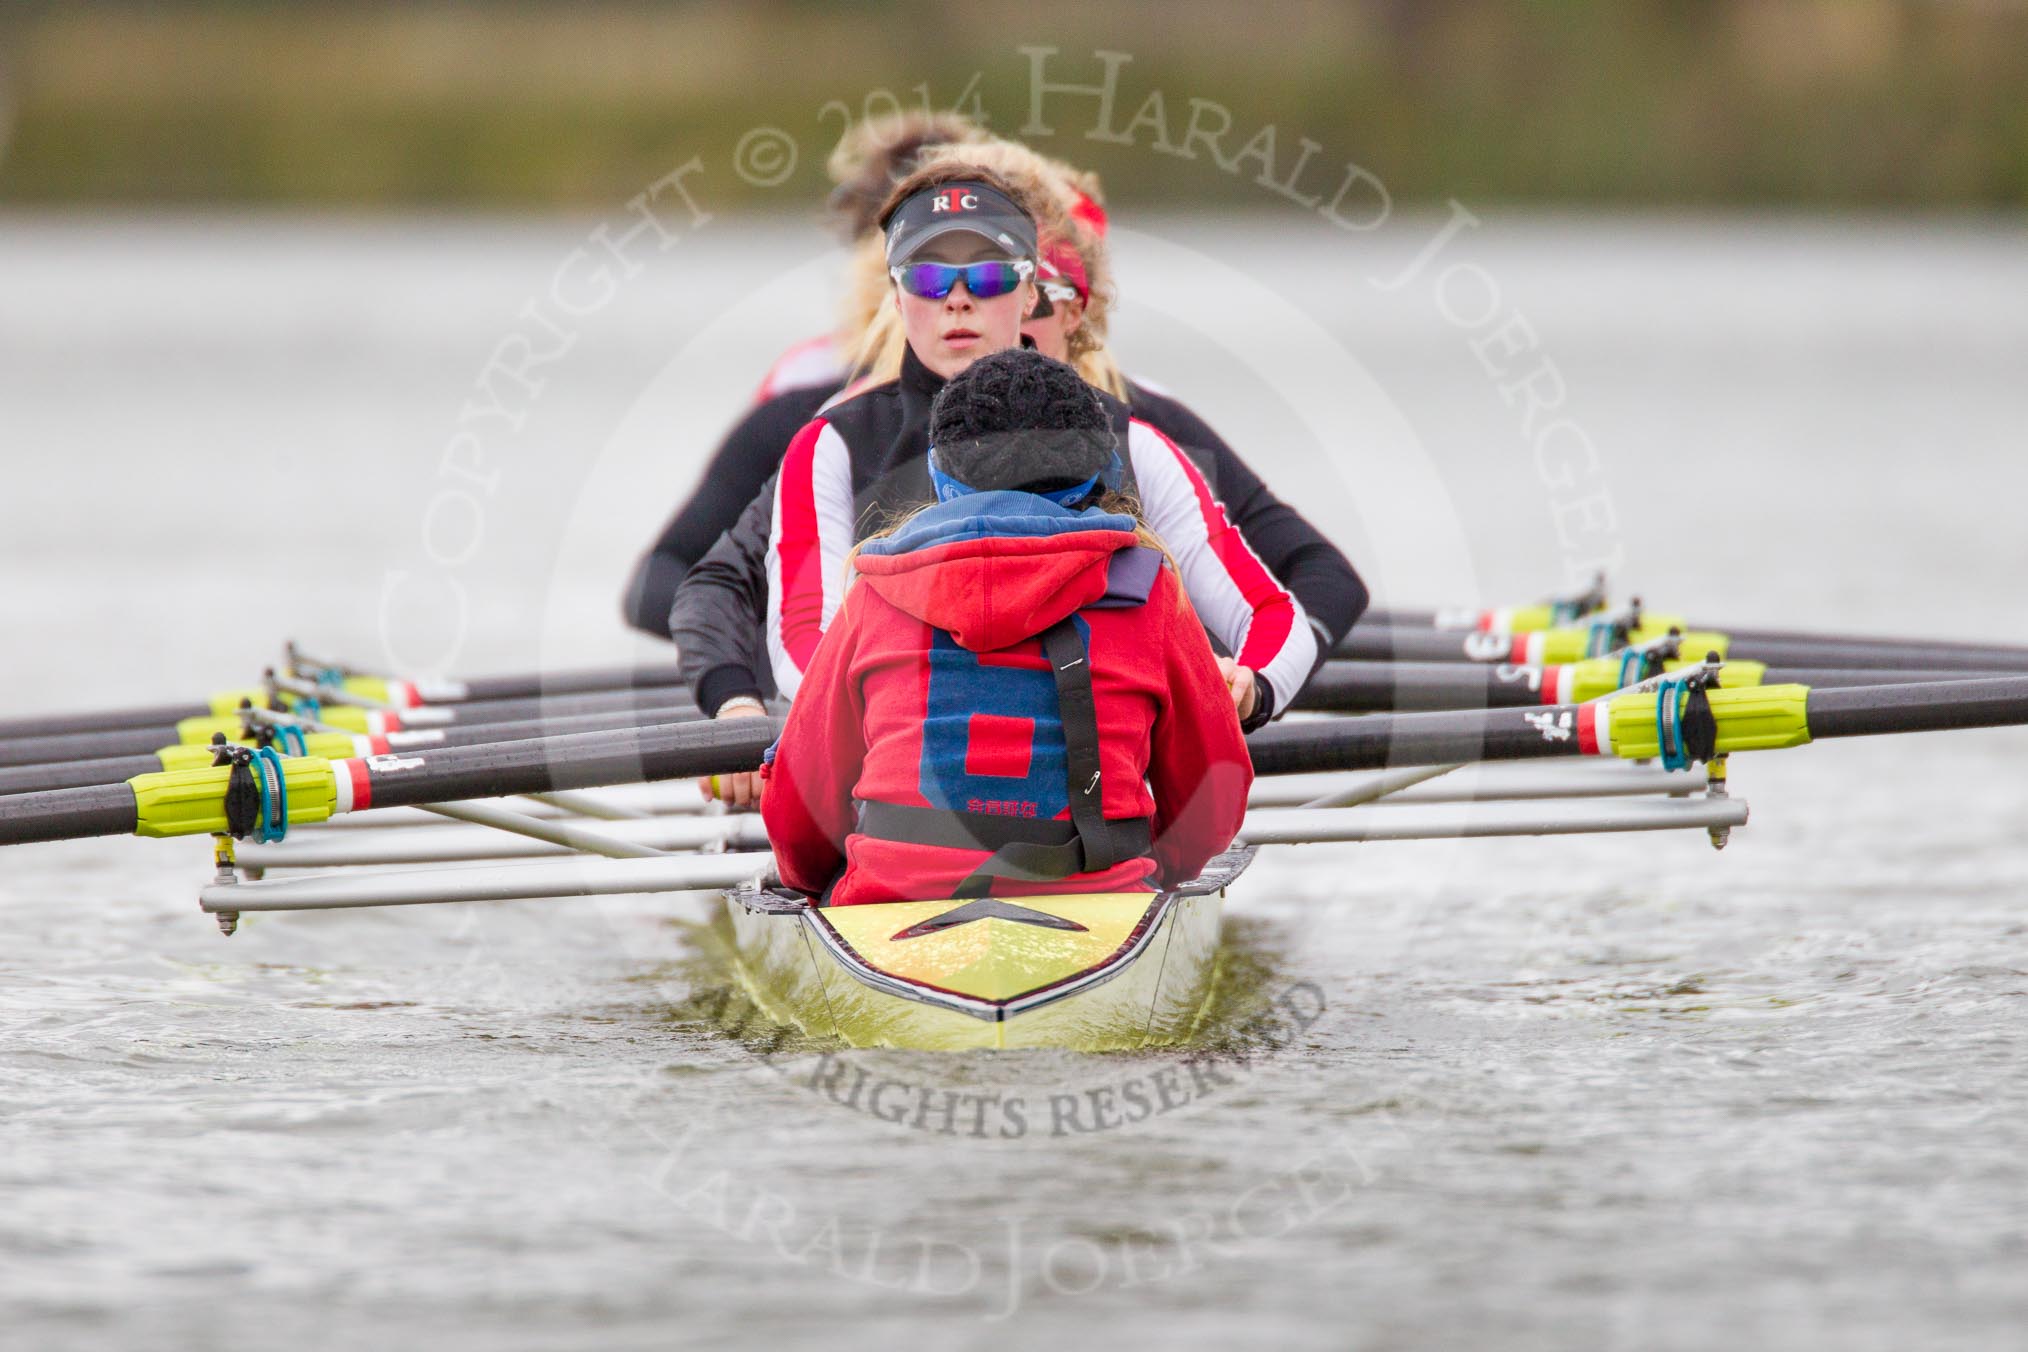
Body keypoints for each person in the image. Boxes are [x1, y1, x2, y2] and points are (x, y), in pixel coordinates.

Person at [621, 137, 1364, 676]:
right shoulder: (828, 440)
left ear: (1051, 299)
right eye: (933, 278)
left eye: (992, 276)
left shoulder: (1141, 435)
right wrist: (740, 703)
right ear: (898, 294)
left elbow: (1289, 598)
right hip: (883, 786)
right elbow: (728, 601)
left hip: (1098, 788)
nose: (962, 300)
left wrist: (1249, 688)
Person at [761, 348, 1252, 907]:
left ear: (940, 480)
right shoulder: (1152, 591)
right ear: (1102, 475)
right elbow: (1213, 805)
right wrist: (1156, 872)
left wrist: (818, 883)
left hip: (892, 904)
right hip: (1101, 898)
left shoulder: (873, 591)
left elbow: (798, 816)